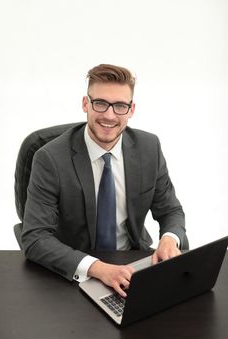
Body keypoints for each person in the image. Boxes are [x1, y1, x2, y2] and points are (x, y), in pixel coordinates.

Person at [22, 63, 187, 298]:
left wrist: (170, 239)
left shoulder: (149, 148)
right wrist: (98, 269)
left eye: (120, 106)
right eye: (100, 103)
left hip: (133, 264)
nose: (109, 115)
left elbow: (170, 209)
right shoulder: (50, 159)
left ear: (131, 109)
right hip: (74, 272)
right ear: (85, 104)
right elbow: (35, 238)